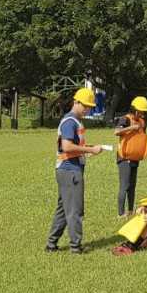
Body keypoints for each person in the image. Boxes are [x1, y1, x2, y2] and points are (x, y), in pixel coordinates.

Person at [47, 87, 105, 254]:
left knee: (63, 209)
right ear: (76, 102)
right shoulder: (70, 121)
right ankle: (76, 247)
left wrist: (87, 148)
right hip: (70, 171)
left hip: (68, 170)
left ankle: (51, 244)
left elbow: (73, 145)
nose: (88, 109)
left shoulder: (75, 121)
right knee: (75, 210)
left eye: (90, 106)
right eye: (85, 105)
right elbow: (66, 146)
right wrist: (90, 150)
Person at [113, 95, 147, 218]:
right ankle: (120, 213)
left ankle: (130, 210)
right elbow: (116, 132)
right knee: (124, 185)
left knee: (132, 185)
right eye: (141, 111)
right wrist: (131, 128)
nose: (142, 113)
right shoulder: (125, 119)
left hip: (135, 157)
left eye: (144, 111)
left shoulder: (142, 122)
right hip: (124, 157)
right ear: (134, 109)